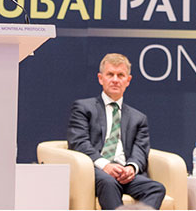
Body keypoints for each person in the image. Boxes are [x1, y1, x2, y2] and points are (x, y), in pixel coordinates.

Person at [67, 53, 166, 210]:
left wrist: (132, 167)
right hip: (97, 170)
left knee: (156, 188)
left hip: (125, 173)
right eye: (110, 74)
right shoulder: (84, 108)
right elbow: (79, 143)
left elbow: (141, 150)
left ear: (128, 80)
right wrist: (106, 165)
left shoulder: (138, 118)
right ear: (100, 78)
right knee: (108, 182)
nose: (115, 79)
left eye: (120, 75)